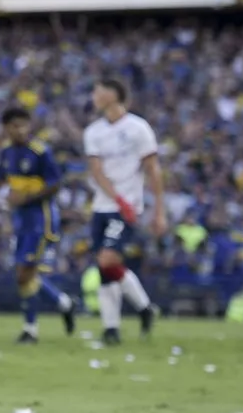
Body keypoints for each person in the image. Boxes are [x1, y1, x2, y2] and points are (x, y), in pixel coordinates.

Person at [83, 78, 166, 345]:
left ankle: (137, 312)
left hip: (128, 206)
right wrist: (117, 198)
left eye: (98, 91)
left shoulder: (138, 128)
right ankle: (115, 326)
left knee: (107, 260)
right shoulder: (93, 132)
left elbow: (153, 169)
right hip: (104, 205)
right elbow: (96, 171)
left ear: (113, 94)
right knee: (105, 267)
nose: (94, 96)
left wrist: (159, 210)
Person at [0, 107, 76, 342]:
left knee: (25, 273)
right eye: (15, 126)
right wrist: (5, 196)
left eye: (23, 125)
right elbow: (2, 181)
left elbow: (55, 184)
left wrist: (26, 197)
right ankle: (63, 303)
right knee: (24, 274)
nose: (20, 130)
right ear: (7, 129)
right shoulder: (6, 153)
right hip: (20, 220)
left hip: (41, 219)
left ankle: (30, 329)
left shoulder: (40, 152)